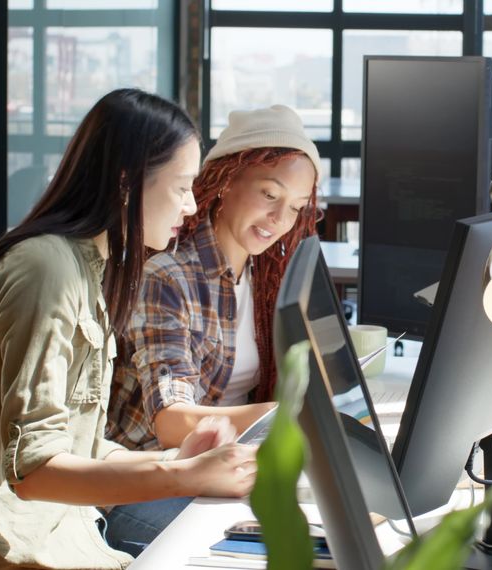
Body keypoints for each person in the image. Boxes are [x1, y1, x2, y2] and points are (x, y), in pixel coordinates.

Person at [0, 88, 256, 570]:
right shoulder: (45, 271)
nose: (189, 206)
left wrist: (180, 459)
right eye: (181, 187)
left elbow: (83, 449)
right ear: (125, 183)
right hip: (7, 555)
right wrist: (181, 476)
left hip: (69, 541)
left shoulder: (86, 267)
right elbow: (34, 471)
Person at [104, 105, 321, 551]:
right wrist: (293, 417)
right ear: (226, 180)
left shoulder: (266, 277)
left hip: (226, 472)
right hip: (149, 481)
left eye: (296, 207)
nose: (281, 220)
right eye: (269, 194)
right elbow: (171, 421)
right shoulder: (168, 275)